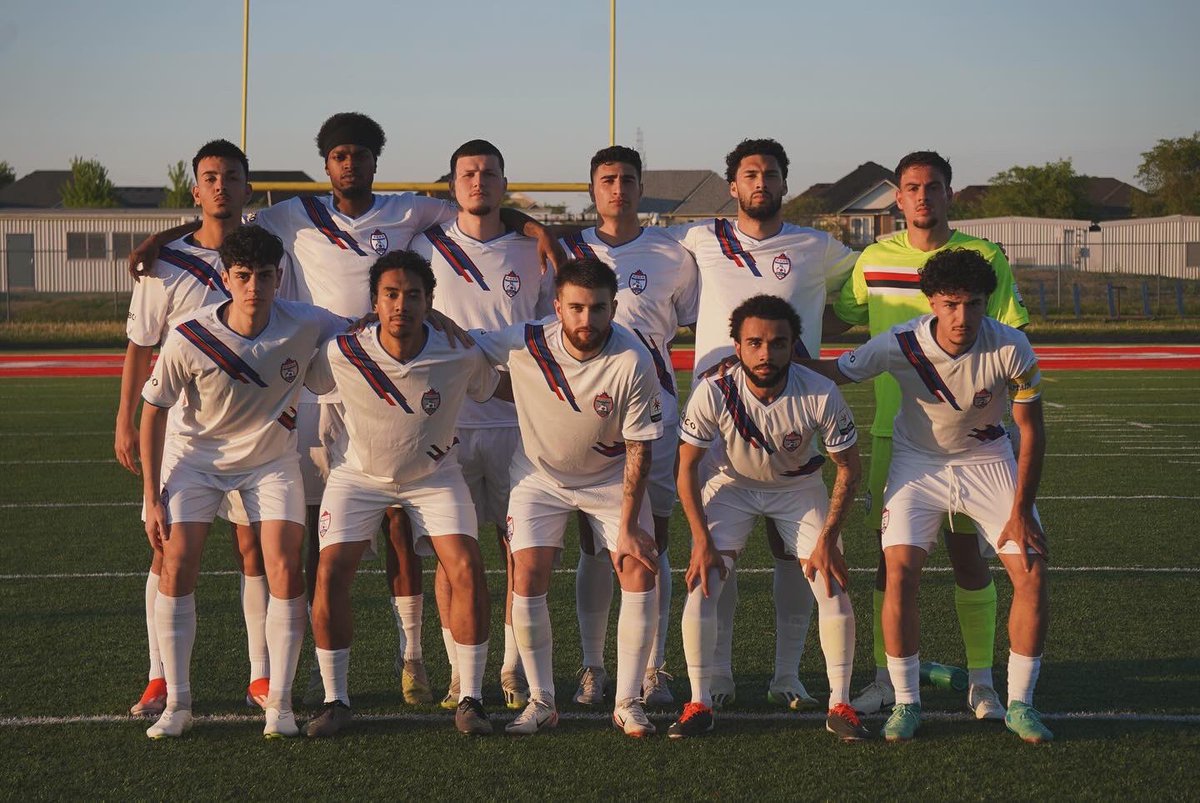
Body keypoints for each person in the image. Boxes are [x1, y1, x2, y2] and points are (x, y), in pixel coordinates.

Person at [130, 112, 561, 706]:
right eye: (338, 156)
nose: (349, 165)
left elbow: (479, 207)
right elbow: (224, 221)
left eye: (359, 155)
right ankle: (309, 667)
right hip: (321, 381)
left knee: (398, 522)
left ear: (374, 162)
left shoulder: (409, 209)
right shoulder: (292, 215)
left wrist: (532, 224)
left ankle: (412, 654)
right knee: (310, 532)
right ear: (326, 163)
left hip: (396, 372)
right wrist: (164, 237)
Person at [809, 248, 1052, 743]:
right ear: (932, 302)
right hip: (917, 464)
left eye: (975, 304)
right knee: (898, 572)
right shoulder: (898, 344)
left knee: (1031, 569)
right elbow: (836, 370)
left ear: (988, 302)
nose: (962, 316)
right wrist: (765, 358)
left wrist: (1023, 511)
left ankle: (1021, 703)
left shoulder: (1012, 347)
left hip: (988, 461)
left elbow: (1033, 431)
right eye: (950, 303)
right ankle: (905, 702)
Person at [824, 151, 1030, 719]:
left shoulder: (984, 256)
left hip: (975, 438)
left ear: (949, 193)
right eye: (911, 187)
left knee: (970, 556)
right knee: (891, 564)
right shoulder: (873, 257)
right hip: (898, 432)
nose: (922, 197)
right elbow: (843, 318)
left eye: (932, 187)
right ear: (897, 196)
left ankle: (983, 682)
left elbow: (1011, 340)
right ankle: (887, 682)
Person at [665, 138, 857, 709]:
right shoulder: (699, 238)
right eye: (750, 174)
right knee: (715, 560)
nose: (760, 183)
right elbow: (638, 256)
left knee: (791, 555)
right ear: (732, 185)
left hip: (793, 407)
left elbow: (863, 290)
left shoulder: (817, 245)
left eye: (771, 174)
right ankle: (716, 678)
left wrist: (814, 350)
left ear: (784, 183)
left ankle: (787, 675)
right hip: (720, 416)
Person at [139, 225, 349, 738]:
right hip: (196, 460)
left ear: (280, 279)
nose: (254, 285)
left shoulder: (308, 321)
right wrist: (151, 497)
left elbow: (372, 328)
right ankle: (179, 705)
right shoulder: (189, 333)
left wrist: (429, 318)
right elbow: (153, 411)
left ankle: (279, 704)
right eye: (243, 275)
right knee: (177, 560)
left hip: (271, 463)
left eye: (265, 275)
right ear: (227, 279)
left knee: (284, 566)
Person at [303, 250, 501, 737]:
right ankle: (336, 700)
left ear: (430, 302)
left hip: (435, 476)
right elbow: (306, 379)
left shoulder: (460, 352)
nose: (401, 305)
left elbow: (490, 388)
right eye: (391, 294)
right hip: (359, 475)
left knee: (468, 566)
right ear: (375, 302)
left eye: (413, 295)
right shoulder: (343, 350)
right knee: (329, 571)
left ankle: (472, 698)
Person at [473, 258, 663, 737]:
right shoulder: (525, 340)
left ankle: (627, 701)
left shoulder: (633, 360)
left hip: (610, 477)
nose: (586, 320)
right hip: (539, 478)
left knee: (637, 567)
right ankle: (541, 701)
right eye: (575, 307)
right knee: (528, 574)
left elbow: (640, 447)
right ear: (556, 306)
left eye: (598, 308)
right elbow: (464, 344)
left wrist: (627, 528)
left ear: (613, 308)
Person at [116, 139, 269, 718]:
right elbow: (139, 346)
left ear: (246, 187)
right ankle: (158, 677)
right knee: (168, 552)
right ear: (196, 189)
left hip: (256, 433)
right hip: (182, 435)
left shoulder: (267, 251)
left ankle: (260, 676)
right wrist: (126, 420)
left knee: (253, 548)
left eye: (232, 176)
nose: (221, 186)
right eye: (210, 177)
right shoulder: (165, 263)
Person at [669, 294, 867, 741]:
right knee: (704, 580)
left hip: (797, 490)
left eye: (778, 343)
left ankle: (840, 703)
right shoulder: (714, 389)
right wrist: (700, 539)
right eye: (754, 343)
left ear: (794, 345)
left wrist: (828, 538)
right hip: (731, 487)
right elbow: (684, 469)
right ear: (736, 346)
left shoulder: (819, 390)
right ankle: (699, 700)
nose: (765, 353)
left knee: (829, 577)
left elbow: (849, 468)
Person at [410, 139, 554, 711]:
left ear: (503, 183)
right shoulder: (424, 245)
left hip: (520, 420)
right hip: (448, 422)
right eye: (468, 174)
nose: (478, 182)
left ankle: (513, 671)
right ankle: (456, 672)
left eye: (489, 174)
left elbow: (548, 328)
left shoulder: (530, 248)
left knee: (519, 548)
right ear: (452, 184)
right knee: (454, 554)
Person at [559, 145, 699, 709]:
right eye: (607, 179)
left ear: (642, 188)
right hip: (584, 414)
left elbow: (688, 325)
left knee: (653, 538)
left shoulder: (673, 254)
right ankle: (593, 666)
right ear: (592, 188)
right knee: (595, 542)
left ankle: (651, 669)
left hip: (656, 413)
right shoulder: (565, 250)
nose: (618, 188)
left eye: (628, 180)